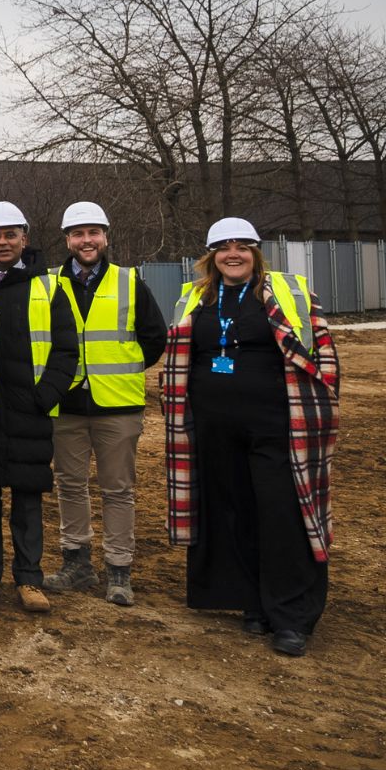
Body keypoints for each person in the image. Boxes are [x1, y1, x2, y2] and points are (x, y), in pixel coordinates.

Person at [163, 218, 339, 658]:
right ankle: (252, 603)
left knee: (282, 514)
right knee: (231, 511)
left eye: (243, 246)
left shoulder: (289, 292)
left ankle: (291, 617)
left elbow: (324, 351)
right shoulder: (196, 297)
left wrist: (322, 404)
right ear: (210, 255)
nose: (233, 253)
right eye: (223, 247)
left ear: (257, 252)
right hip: (214, 429)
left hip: (274, 427)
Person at [45, 201, 166, 605]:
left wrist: (121, 370)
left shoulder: (130, 282)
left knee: (118, 490)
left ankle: (119, 570)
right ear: (67, 240)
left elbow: (154, 339)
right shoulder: (49, 285)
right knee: (70, 486)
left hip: (117, 407)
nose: (86, 240)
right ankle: (77, 564)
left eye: (93, 232)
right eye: (78, 234)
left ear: (105, 236)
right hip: (66, 407)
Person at [0, 202, 79, 615]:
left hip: (28, 410)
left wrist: (44, 396)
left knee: (28, 497)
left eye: (10, 234)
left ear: (24, 239)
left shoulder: (50, 287)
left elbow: (67, 350)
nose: (3, 242)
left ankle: (30, 579)